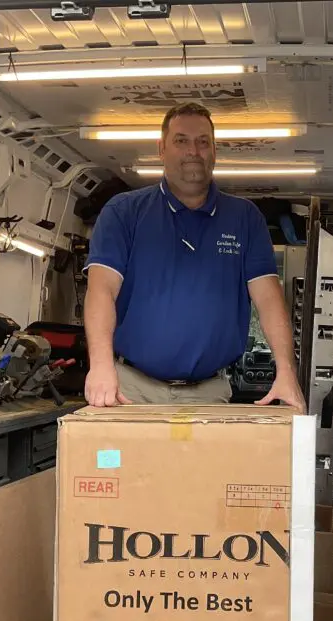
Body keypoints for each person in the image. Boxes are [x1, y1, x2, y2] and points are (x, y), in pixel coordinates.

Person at [81, 101, 307, 413]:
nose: (193, 151)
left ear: (215, 151)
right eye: (181, 141)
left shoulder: (245, 218)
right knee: (121, 464)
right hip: (128, 389)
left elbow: (269, 298)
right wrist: (101, 365)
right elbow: (101, 290)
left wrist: (286, 372)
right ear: (162, 149)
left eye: (203, 142)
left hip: (209, 393)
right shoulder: (123, 212)